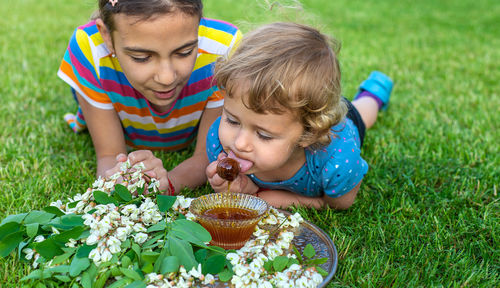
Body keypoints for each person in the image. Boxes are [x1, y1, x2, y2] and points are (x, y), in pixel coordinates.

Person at [58, 0, 242, 194]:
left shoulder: (224, 50)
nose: (166, 78)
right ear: (107, 37)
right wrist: (118, 181)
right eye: (142, 57)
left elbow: (207, 155)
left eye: (184, 52)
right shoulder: (90, 49)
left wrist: (168, 183)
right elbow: (109, 155)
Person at [204, 22, 393, 209]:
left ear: (309, 133)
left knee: (363, 112)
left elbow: (338, 204)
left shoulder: (337, 160)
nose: (239, 143)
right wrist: (244, 187)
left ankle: (374, 91)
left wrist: (269, 197)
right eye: (232, 120)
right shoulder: (218, 144)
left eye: (264, 135)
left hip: (346, 124)